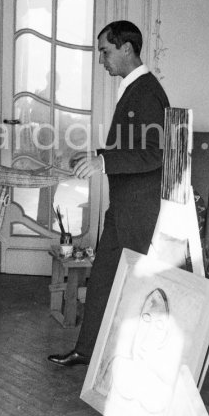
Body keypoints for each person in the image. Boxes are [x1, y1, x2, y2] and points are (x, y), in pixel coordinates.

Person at [48, 20, 170, 367]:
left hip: (139, 208)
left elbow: (154, 152)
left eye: (105, 51)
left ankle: (136, 364)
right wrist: (94, 157)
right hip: (124, 206)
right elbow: (132, 147)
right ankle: (86, 350)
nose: (102, 60)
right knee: (102, 279)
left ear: (126, 49)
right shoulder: (135, 88)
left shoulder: (146, 91)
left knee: (135, 287)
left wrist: (103, 161)